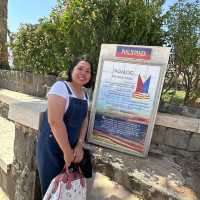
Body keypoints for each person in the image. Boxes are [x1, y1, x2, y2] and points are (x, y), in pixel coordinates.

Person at [36, 55, 93, 196]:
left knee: (64, 191)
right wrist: (67, 152)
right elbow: (55, 122)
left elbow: (84, 120)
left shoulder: (85, 95)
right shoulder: (60, 87)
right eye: (80, 68)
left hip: (71, 150)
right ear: (71, 70)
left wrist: (79, 145)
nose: (84, 73)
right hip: (52, 149)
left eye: (88, 71)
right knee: (52, 189)